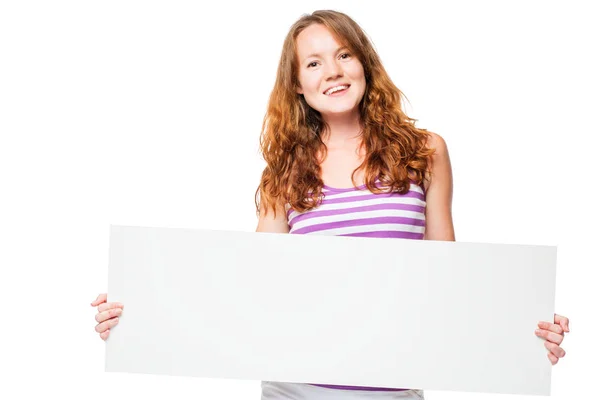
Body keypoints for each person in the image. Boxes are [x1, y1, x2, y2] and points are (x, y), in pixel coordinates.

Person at [92, 9, 570, 400]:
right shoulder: (284, 171)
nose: (334, 71)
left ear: (365, 64)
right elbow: (247, 283)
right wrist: (140, 312)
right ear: (297, 84)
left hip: (393, 389)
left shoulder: (426, 152)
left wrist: (523, 333)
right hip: (293, 389)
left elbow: (448, 278)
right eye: (314, 63)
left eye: (344, 55)